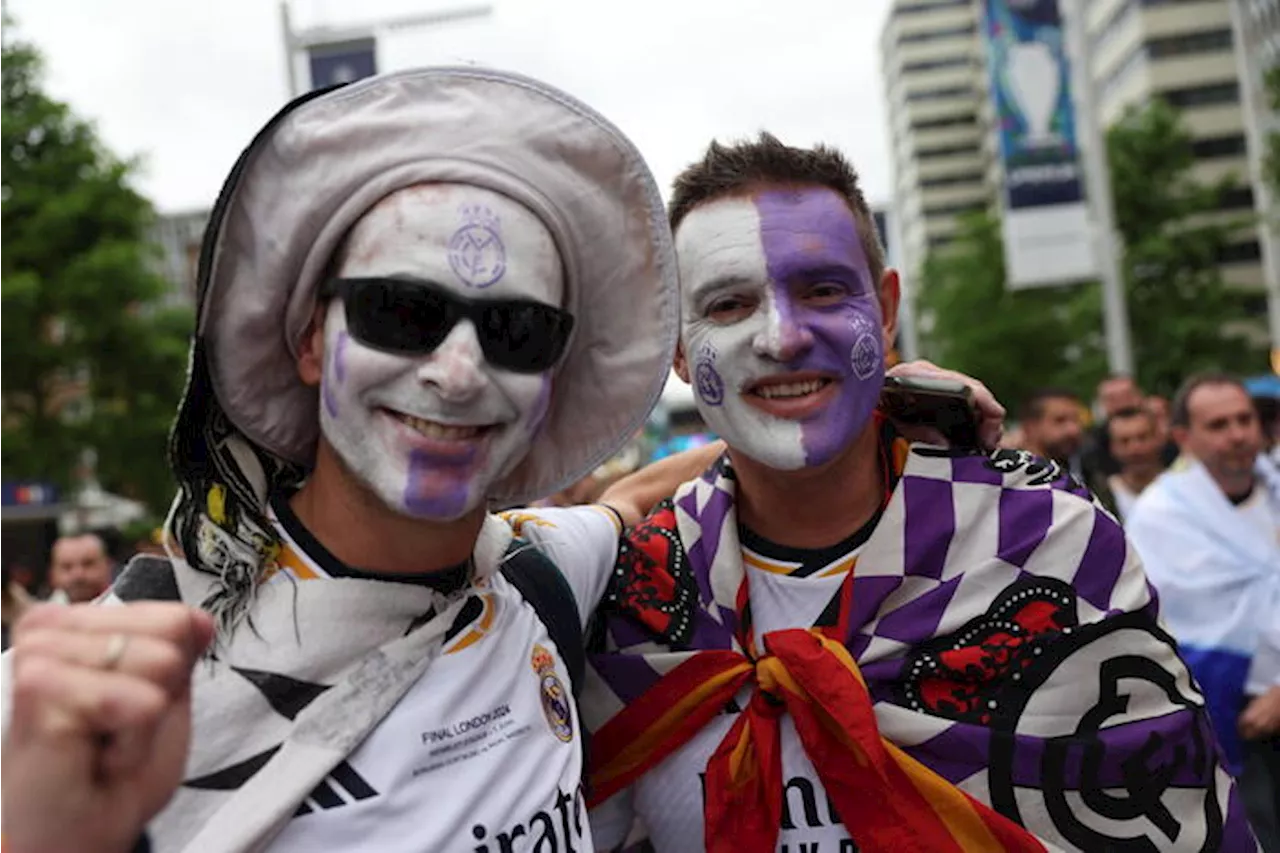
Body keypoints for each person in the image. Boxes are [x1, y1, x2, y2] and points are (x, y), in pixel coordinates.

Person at [0, 67, 683, 853]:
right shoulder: (97, 697)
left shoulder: (541, 571)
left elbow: (633, 500)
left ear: (551, 379)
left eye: (517, 331)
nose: (458, 373)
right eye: (401, 311)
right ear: (310, 341)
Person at [510, 134, 1257, 851]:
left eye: (824, 290)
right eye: (730, 305)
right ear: (677, 345)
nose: (784, 336)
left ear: (887, 307)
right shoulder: (633, 596)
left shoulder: (1046, 542)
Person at [1128, 372, 1280, 850]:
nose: (1236, 434)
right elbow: (1158, 625)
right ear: (1183, 438)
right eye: (1217, 425)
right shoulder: (1159, 517)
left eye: (1244, 420)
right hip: (1230, 718)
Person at [1105, 405, 1168, 522]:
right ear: (1112, 447)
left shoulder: (1183, 489)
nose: (1135, 448)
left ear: (1159, 438)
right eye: (1124, 441)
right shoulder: (1102, 497)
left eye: (1142, 437)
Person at [47, 532, 113, 604]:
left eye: (88, 564)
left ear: (107, 566)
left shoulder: (124, 609)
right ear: (52, 574)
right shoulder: (43, 613)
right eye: (67, 567)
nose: (78, 575)